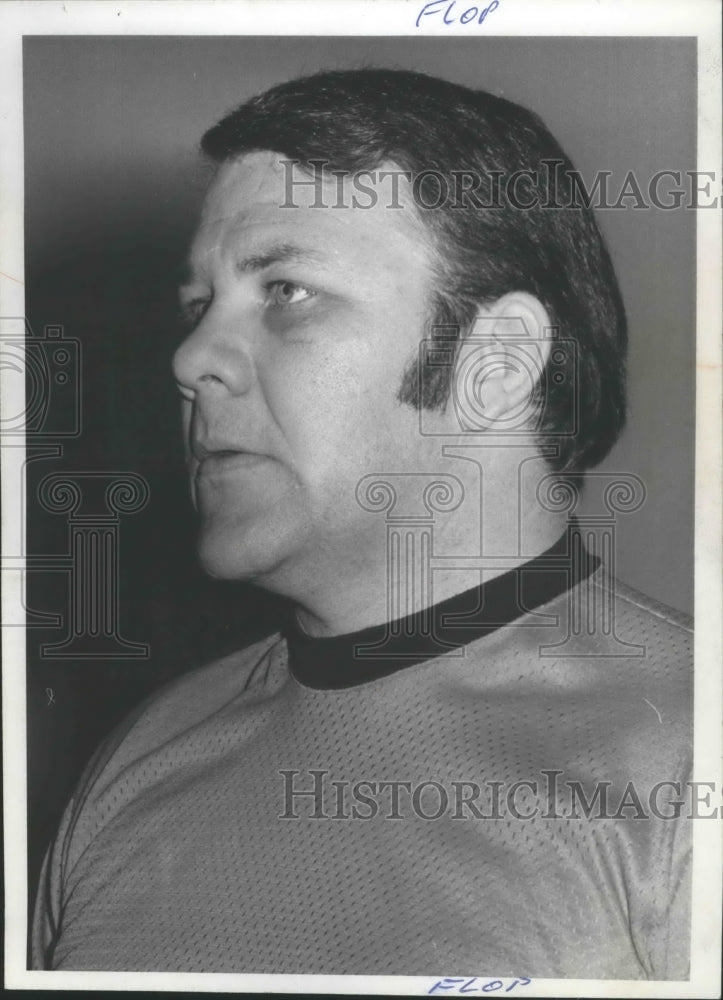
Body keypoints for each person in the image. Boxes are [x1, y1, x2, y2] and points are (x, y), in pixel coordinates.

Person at [32, 68, 692, 978]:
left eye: (286, 292)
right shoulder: (141, 757)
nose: (188, 359)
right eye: (197, 305)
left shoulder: (686, 758)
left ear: (495, 366)